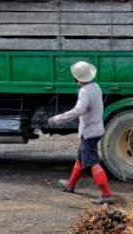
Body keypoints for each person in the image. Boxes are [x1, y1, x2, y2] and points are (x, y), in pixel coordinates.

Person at [49, 61, 113, 205]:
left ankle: (106, 194)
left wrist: (58, 119)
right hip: (96, 129)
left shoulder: (84, 92)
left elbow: (78, 110)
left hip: (89, 132)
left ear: (78, 78)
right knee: (80, 158)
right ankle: (70, 185)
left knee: (93, 163)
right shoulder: (95, 87)